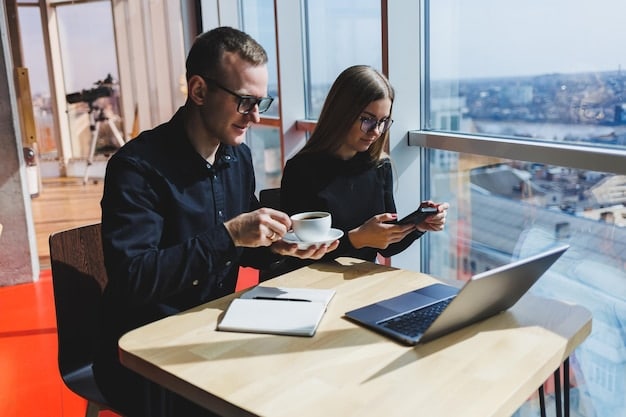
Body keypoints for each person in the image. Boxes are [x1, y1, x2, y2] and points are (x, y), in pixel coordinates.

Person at [94, 27, 338, 417]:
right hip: (144, 351)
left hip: (214, 330)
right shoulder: (135, 168)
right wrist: (230, 235)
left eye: (261, 102)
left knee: (307, 378)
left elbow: (238, 246)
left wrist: (277, 245)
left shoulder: (235, 157)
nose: (256, 117)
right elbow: (133, 279)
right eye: (245, 101)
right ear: (199, 91)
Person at [280, 65, 448, 267]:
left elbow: (386, 246)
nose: (376, 132)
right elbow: (294, 252)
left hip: (360, 283)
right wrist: (356, 239)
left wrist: (418, 225)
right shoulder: (301, 170)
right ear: (341, 113)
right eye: (367, 120)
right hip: (313, 286)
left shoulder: (379, 166)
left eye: (383, 121)